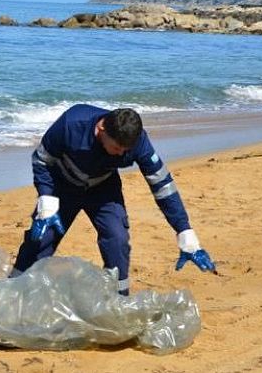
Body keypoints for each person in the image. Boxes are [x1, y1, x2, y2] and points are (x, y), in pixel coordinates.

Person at [12, 104, 215, 295]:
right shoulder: (71, 124)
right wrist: (46, 197)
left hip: (102, 189)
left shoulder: (137, 142)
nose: (122, 154)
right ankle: (11, 293)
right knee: (39, 240)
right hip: (61, 186)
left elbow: (162, 185)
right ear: (101, 129)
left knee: (117, 239)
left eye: (126, 150)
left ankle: (119, 299)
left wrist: (184, 230)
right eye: (117, 148)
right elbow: (41, 160)